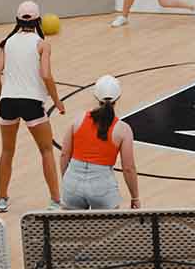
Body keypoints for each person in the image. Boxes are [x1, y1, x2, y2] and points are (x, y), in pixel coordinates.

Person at [0, 1, 65, 213]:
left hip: (7, 101)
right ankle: (55, 200)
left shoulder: (7, 43)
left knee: (7, 150)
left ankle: (2, 198)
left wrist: (1, 97)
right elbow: (46, 75)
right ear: (38, 21)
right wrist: (57, 101)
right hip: (31, 102)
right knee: (46, 150)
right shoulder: (42, 45)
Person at [60, 75, 140, 210]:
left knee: (72, 230)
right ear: (118, 98)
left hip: (72, 180)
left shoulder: (78, 119)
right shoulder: (123, 129)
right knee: (108, 230)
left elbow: (64, 155)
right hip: (102, 186)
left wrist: (68, 181)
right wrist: (135, 197)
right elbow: (128, 168)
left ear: (96, 97)